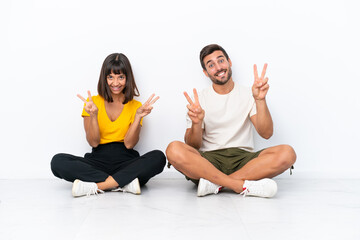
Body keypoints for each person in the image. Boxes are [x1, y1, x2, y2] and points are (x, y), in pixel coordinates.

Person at [166, 44, 296, 198]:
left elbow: (266, 133)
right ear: (205, 72)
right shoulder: (199, 100)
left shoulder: (249, 94)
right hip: (209, 162)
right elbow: (193, 146)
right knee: (173, 149)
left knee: (287, 153)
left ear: (229, 62)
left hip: (244, 160)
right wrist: (197, 123)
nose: (218, 67)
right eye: (211, 65)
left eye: (221, 61)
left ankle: (216, 184)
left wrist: (260, 100)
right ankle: (238, 185)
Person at [51, 53, 166, 197]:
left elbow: (129, 145)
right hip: (97, 161)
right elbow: (93, 142)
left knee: (159, 157)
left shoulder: (136, 106)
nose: (115, 83)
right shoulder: (92, 103)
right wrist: (93, 115)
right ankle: (123, 182)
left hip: (126, 161)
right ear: (104, 78)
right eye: (110, 77)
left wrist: (137, 117)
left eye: (121, 77)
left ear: (127, 78)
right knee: (58, 161)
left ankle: (99, 186)